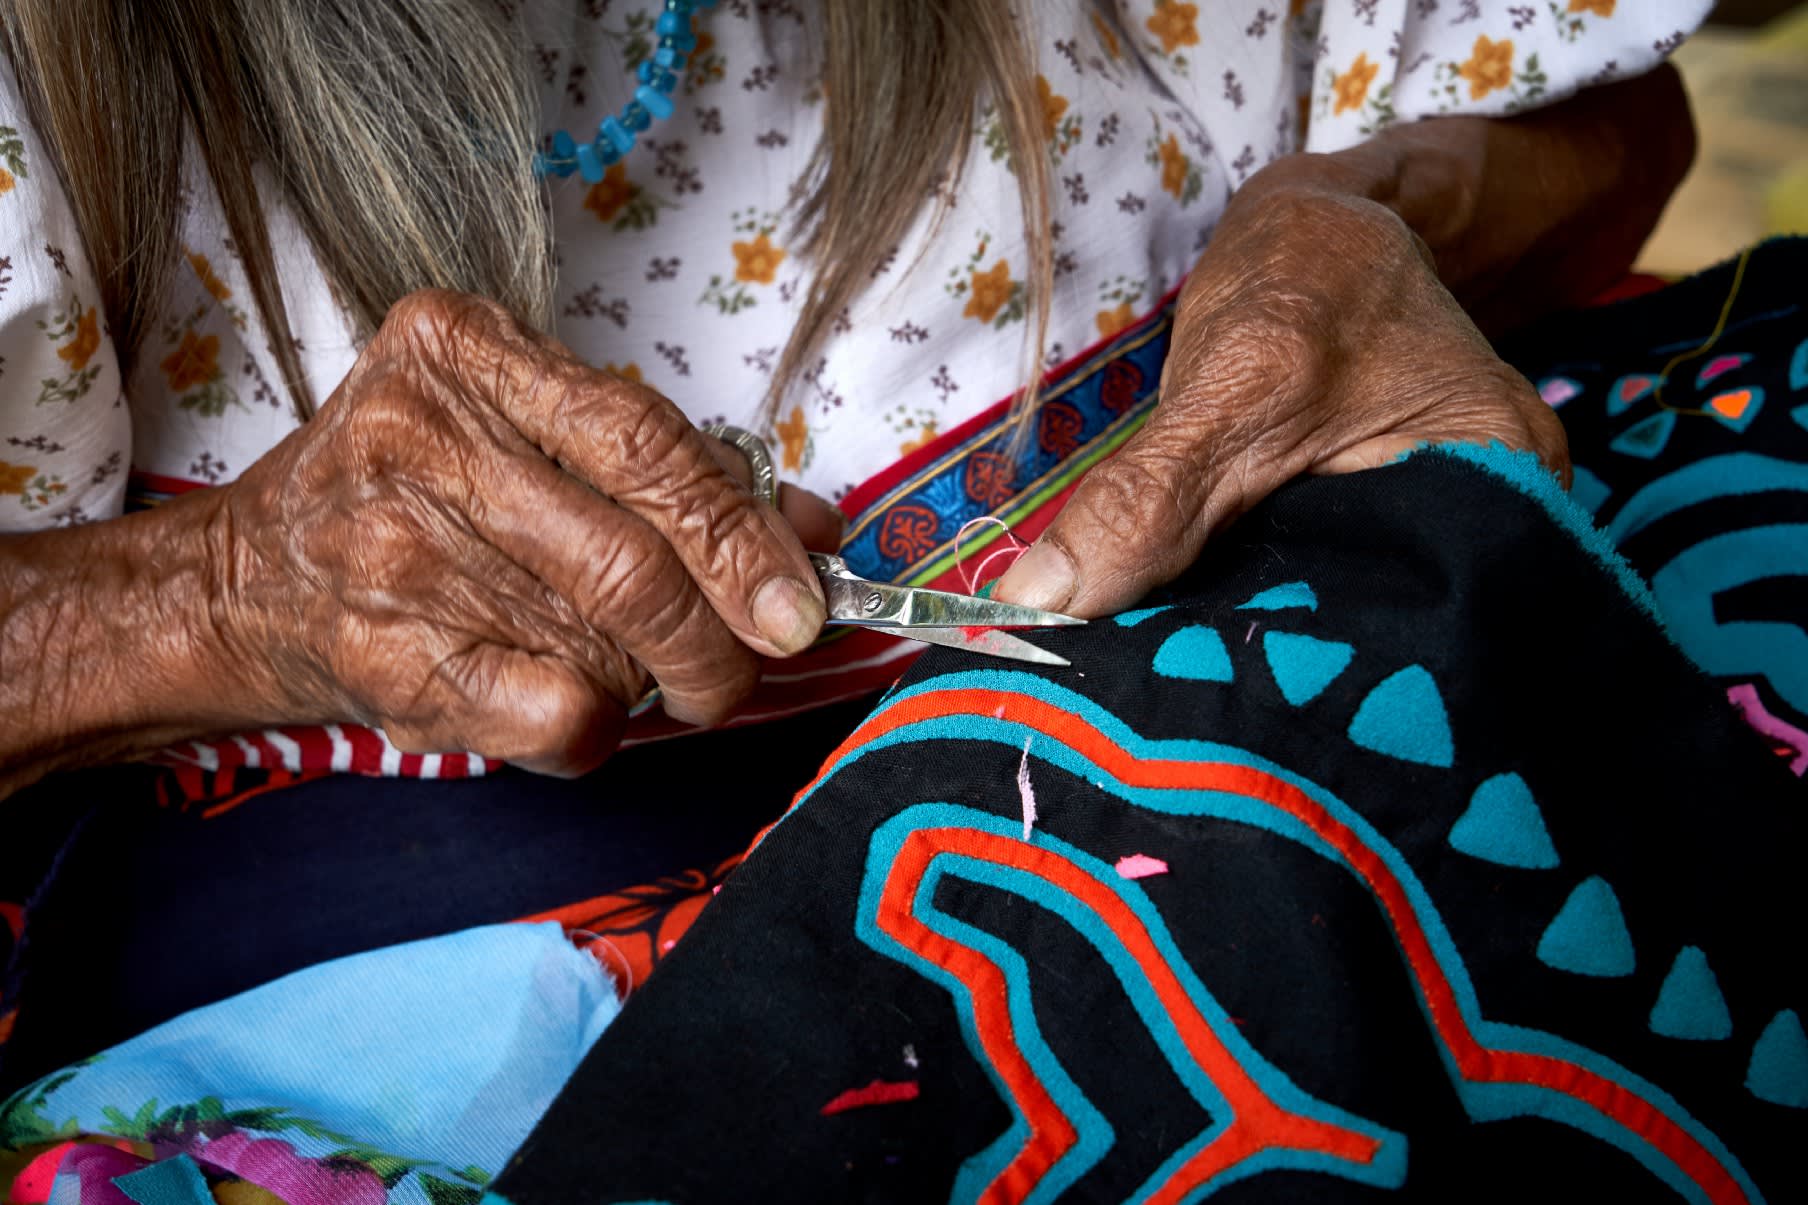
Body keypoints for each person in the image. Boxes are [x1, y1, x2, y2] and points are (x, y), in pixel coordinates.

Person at [8, 1, 1802, 1201]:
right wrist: (212, 592)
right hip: (433, 950)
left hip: (1289, 677)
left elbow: (1618, 129)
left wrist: (1360, 217)